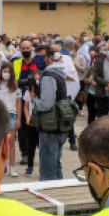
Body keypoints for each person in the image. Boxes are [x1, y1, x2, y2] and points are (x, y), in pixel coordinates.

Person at [31, 47, 75, 180]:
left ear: (49, 58)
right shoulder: (59, 74)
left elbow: (46, 104)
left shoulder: (48, 76)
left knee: (48, 170)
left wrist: (33, 98)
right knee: (56, 165)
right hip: (59, 125)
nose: (39, 60)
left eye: (40, 57)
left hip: (50, 127)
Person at [0, 65, 19, 176]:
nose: (6, 73)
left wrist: (18, 118)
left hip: (11, 115)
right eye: (4, 71)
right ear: (1, 71)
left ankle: (12, 167)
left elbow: (18, 102)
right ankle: (0, 165)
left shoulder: (15, 86)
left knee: (11, 142)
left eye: (8, 71)